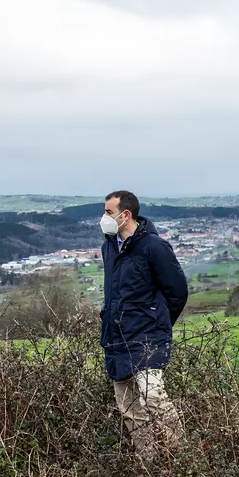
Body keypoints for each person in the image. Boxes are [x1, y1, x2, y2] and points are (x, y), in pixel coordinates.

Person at [99, 190, 189, 453]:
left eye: (108, 212)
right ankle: (147, 463)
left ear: (125, 215)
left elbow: (177, 292)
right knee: (128, 407)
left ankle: (181, 460)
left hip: (147, 336)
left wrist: (157, 321)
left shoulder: (153, 246)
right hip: (117, 336)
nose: (104, 218)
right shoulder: (109, 247)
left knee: (153, 398)